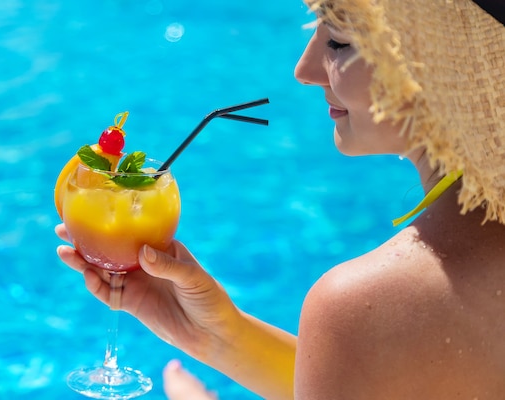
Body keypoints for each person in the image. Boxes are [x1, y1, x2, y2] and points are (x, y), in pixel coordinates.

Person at [56, 0, 505, 398]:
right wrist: (215, 334)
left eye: (340, 40)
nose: (305, 71)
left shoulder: (362, 307)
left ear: (445, 66)